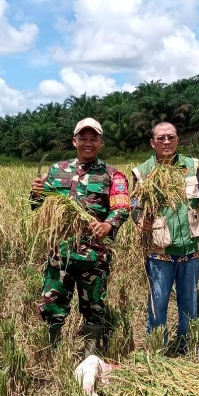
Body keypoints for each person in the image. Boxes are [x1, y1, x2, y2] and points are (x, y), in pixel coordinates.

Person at [30, 118, 130, 355]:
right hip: (60, 254)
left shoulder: (112, 174)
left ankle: (90, 353)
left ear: (101, 142)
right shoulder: (57, 170)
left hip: (93, 256)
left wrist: (108, 225)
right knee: (53, 304)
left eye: (93, 138)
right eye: (83, 138)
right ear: (74, 141)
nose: (88, 143)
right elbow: (37, 205)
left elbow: (122, 207)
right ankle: (52, 350)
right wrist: (35, 193)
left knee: (93, 306)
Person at [130, 122, 199, 356]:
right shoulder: (143, 172)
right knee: (158, 303)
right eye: (161, 138)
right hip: (159, 249)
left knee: (189, 302)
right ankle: (157, 350)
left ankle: (187, 348)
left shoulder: (191, 166)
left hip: (190, 247)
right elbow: (134, 206)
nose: (166, 142)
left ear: (177, 140)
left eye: (171, 137)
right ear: (152, 143)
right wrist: (139, 220)